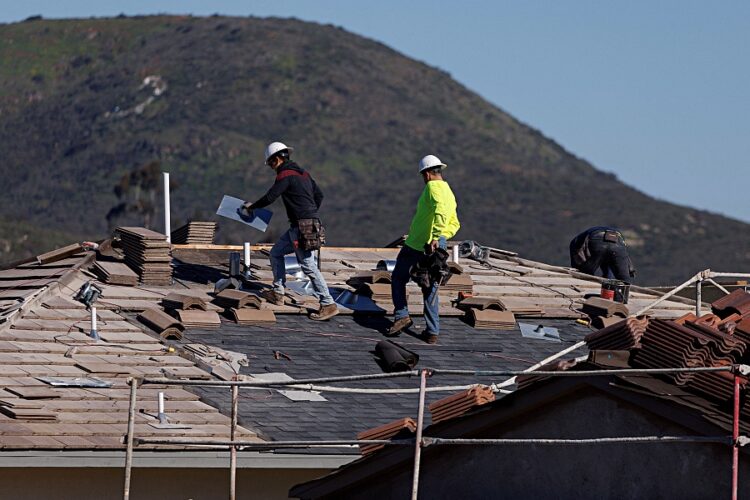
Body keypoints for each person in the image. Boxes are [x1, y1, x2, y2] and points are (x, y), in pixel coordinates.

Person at [241, 142, 339, 321]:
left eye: (271, 164)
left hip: (302, 227)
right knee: (276, 252)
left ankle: (328, 303)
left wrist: (252, 207)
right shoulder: (304, 174)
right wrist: (310, 213)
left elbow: (271, 196)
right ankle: (278, 292)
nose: (272, 168)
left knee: (308, 265)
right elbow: (320, 195)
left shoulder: (284, 175)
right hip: (304, 225)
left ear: (277, 159)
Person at [387, 155, 460, 344]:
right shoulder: (448, 191)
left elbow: (440, 211)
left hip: (418, 244)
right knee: (430, 287)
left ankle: (402, 315)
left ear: (427, 174)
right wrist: (442, 238)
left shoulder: (433, 187)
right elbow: (454, 223)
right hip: (437, 245)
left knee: (398, 278)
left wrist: (435, 236)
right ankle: (432, 331)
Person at [569, 226, 636, 282]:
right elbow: (622, 256)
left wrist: (583, 271)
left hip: (597, 237)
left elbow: (577, 262)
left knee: (585, 274)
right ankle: (622, 295)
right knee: (624, 281)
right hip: (618, 240)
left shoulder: (575, 242)